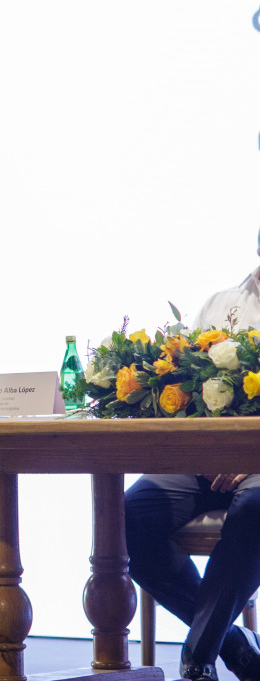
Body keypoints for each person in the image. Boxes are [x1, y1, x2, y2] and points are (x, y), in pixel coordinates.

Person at [125, 229, 260, 681]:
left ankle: (198, 657)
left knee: (256, 507)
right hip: (204, 461)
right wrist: (201, 452)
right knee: (127, 516)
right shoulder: (221, 304)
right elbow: (185, 386)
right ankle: (234, 645)